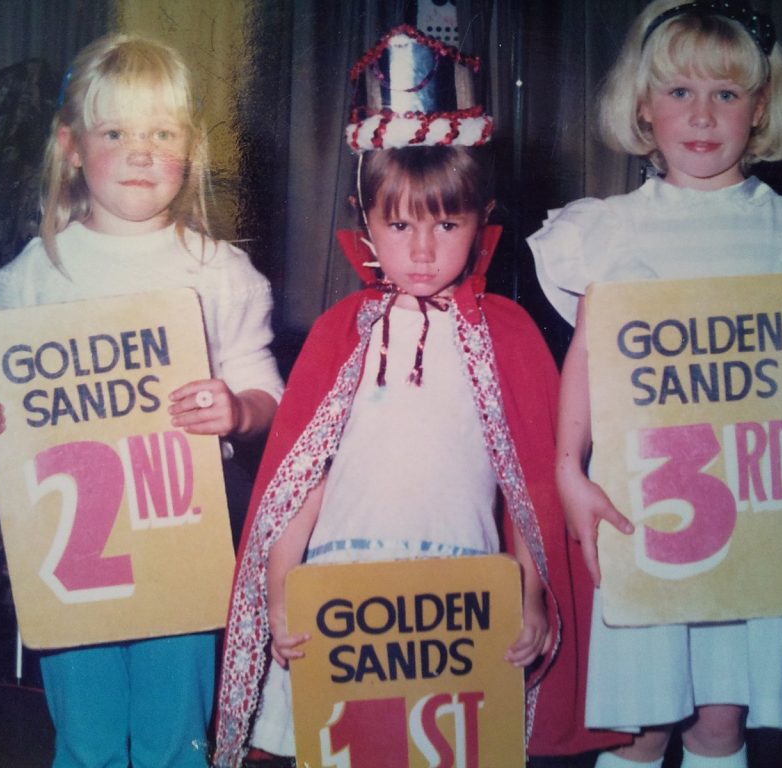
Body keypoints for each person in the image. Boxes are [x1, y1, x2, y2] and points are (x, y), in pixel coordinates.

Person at [214, 25, 627, 768]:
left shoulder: (506, 335)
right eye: (398, 224)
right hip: (345, 591)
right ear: (363, 218)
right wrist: (281, 590)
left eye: (447, 222)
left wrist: (531, 597)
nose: (424, 249)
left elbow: (527, 490)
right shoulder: (343, 334)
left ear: (483, 218)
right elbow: (299, 483)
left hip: (458, 597)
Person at [527, 2, 782, 767]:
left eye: (727, 93)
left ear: (761, 109)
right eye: (679, 92)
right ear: (643, 107)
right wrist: (565, 470)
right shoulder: (606, 231)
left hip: (758, 510)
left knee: (721, 725)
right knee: (642, 725)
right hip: (649, 507)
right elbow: (585, 363)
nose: (703, 115)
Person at [0, 33, 283, 767]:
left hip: (183, 539)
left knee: (177, 735)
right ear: (72, 147)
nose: (141, 153)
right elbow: (1, 402)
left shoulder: (222, 273)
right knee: (90, 737)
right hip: (74, 560)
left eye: (161, 133)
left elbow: (268, 391)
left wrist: (237, 407)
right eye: (117, 133)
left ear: (190, 150)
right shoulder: (35, 274)